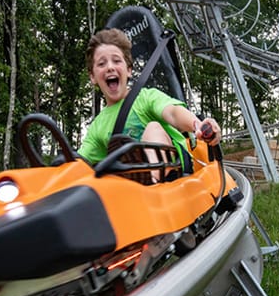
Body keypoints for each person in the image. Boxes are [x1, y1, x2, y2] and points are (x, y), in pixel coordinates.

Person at [78, 28, 221, 181]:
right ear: (92, 76)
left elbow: (173, 113)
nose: (110, 67)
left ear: (129, 70)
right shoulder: (97, 126)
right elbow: (79, 162)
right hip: (127, 183)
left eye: (117, 61)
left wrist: (197, 125)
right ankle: (130, 179)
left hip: (174, 172)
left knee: (153, 127)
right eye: (101, 64)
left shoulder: (146, 97)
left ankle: (148, 179)